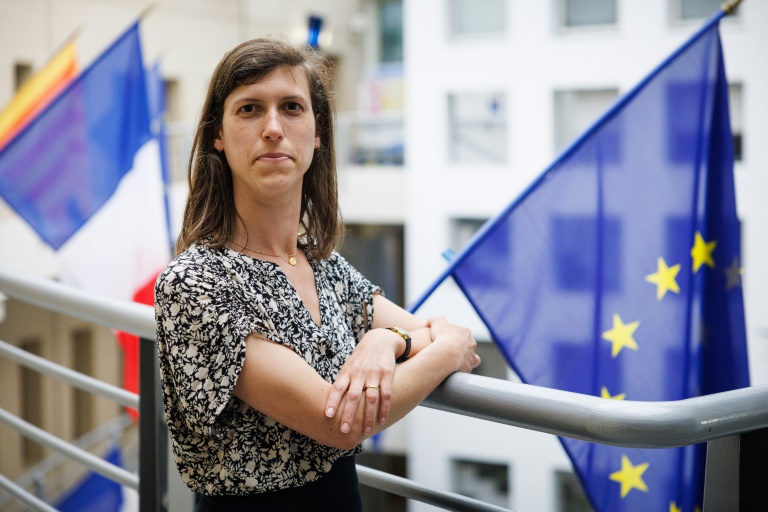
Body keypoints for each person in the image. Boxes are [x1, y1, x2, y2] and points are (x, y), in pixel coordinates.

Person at [154, 36, 480, 512]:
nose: (272, 128)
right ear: (217, 136)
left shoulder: (324, 266)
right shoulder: (196, 282)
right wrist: (446, 349)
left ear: (318, 131)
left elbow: (425, 329)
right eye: (248, 109)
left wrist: (385, 342)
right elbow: (339, 420)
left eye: (291, 107)